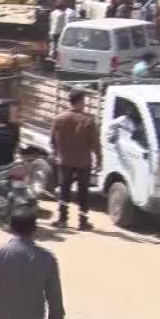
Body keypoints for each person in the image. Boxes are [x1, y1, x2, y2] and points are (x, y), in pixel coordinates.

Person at [49, 89, 100, 231]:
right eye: (84, 101)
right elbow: (95, 143)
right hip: (84, 162)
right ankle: (83, 222)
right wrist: (99, 159)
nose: (85, 104)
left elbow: (52, 140)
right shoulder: (88, 120)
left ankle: (62, 220)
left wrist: (55, 154)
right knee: (83, 193)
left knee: (64, 190)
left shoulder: (58, 119)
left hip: (65, 161)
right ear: (80, 102)